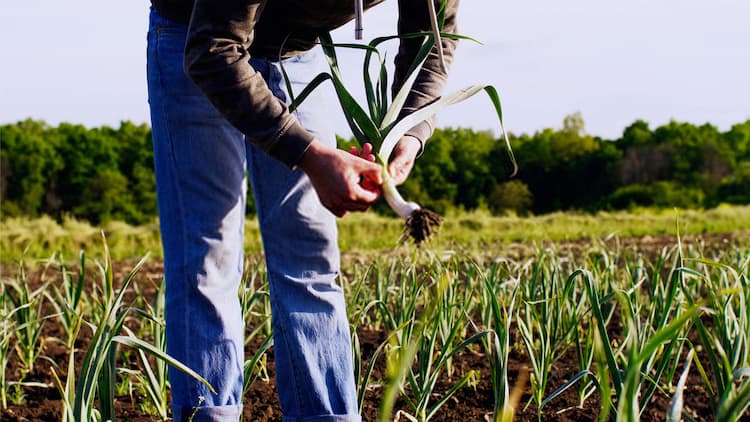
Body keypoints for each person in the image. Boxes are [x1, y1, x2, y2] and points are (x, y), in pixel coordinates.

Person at [146, 0, 459, 420]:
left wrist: (410, 130)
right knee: (207, 256)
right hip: (196, 40)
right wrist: (309, 155)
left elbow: (432, 40)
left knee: (310, 253)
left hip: (296, 53)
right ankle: (209, 413)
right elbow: (213, 49)